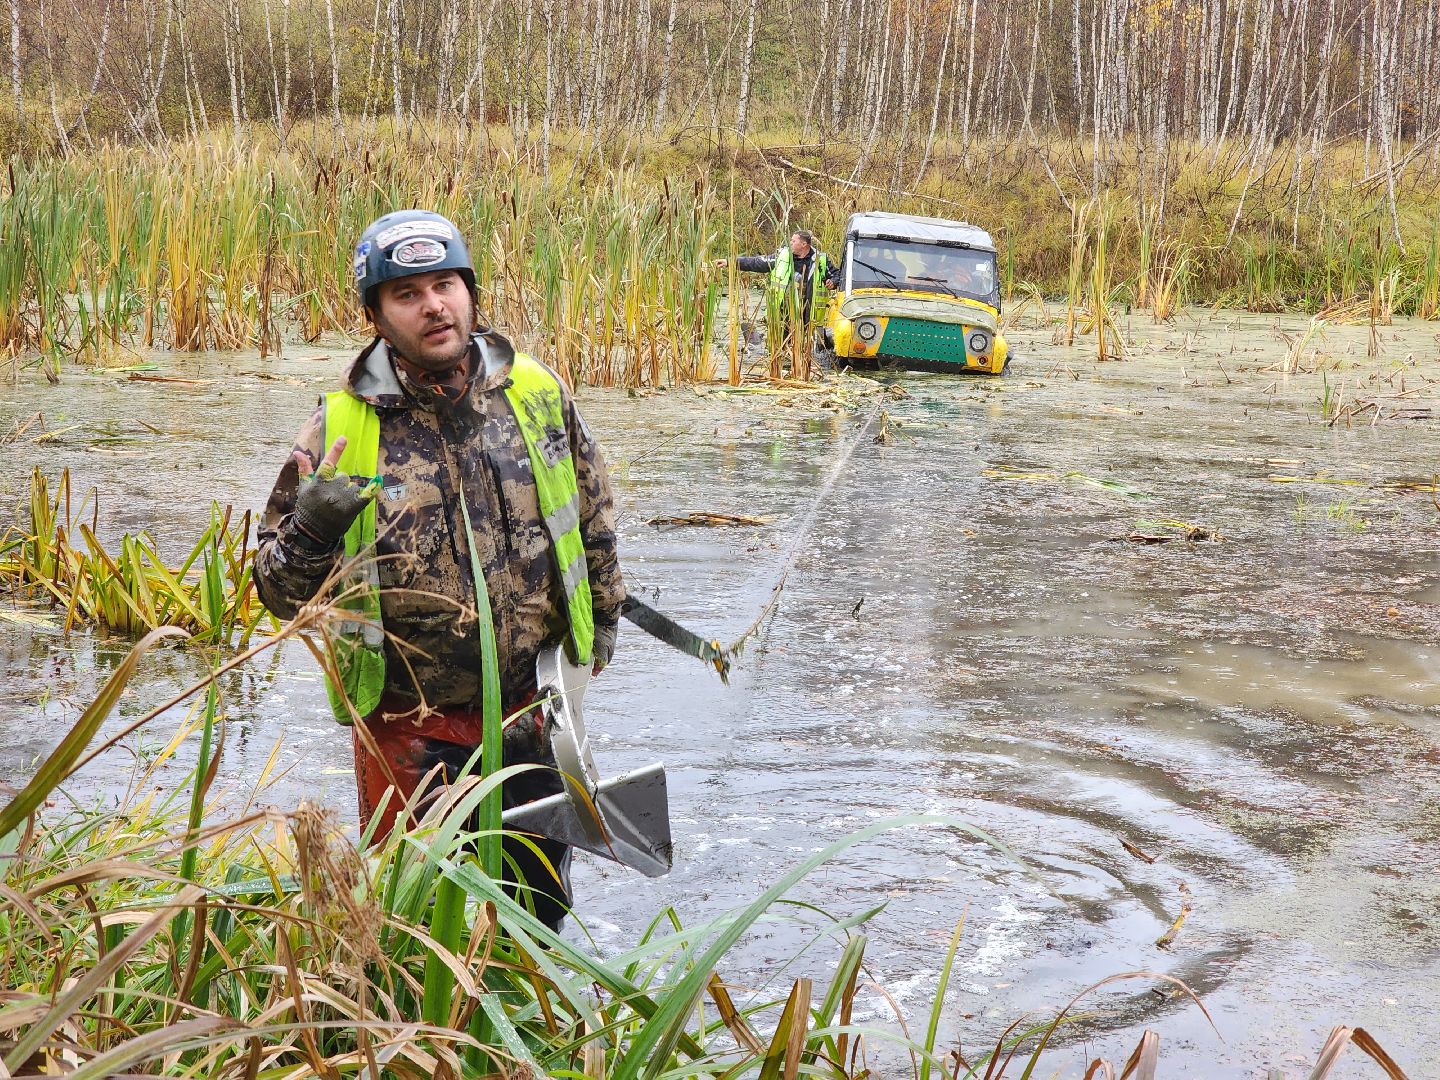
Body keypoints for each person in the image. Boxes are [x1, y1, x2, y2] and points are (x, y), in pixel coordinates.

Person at [253, 209, 625, 931]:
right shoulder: (337, 432)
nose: (434, 305)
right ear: (375, 315)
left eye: (446, 284)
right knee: (418, 923)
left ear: (470, 292)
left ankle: (528, 1037)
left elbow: (592, 519)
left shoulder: (538, 398)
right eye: (408, 293)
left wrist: (603, 621)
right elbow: (274, 592)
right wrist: (314, 525)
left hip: (532, 717)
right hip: (409, 728)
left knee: (538, 913)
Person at [715, 229, 842, 325]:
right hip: (782, 315)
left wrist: (833, 282)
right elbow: (757, 262)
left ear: (804, 244)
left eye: (793, 241)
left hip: (808, 318)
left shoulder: (820, 260)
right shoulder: (782, 255)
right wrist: (730, 262)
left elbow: (837, 275)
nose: (790, 243)